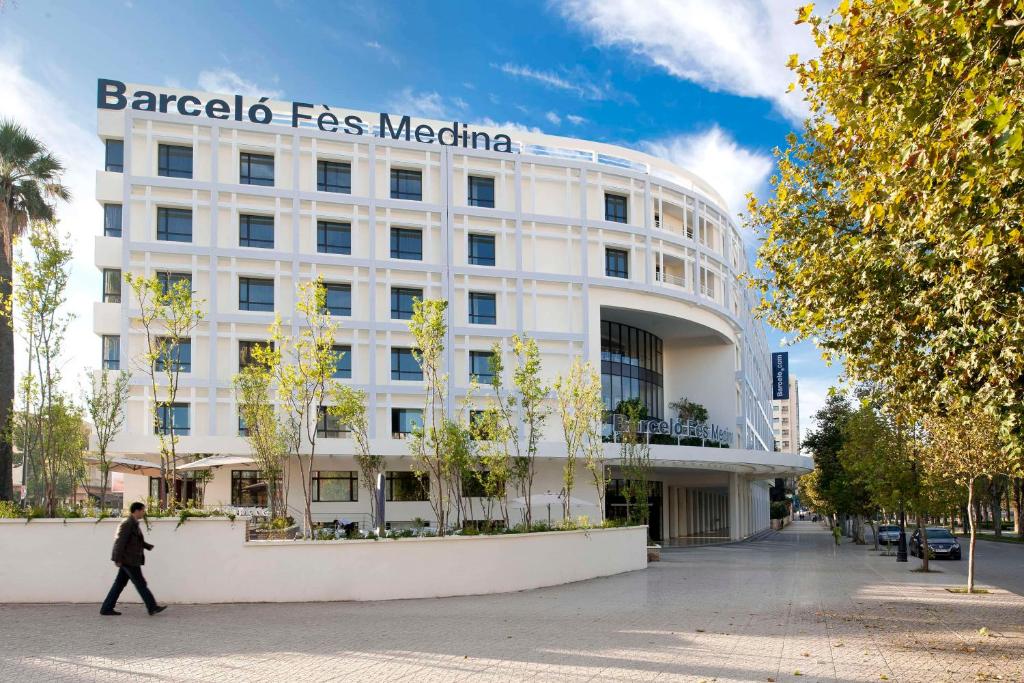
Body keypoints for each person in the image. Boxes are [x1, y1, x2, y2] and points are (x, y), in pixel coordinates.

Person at [100, 502, 167, 616]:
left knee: (119, 584)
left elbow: (136, 541)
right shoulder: (127, 523)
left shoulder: (133, 523)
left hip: (129, 559)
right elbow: (120, 542)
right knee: (141, 583)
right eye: (143, 510)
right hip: (129, 560)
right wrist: (117, 559)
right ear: (137, 511)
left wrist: (147, 546)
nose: (143, 512)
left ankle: (106, 608)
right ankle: (152, 607)